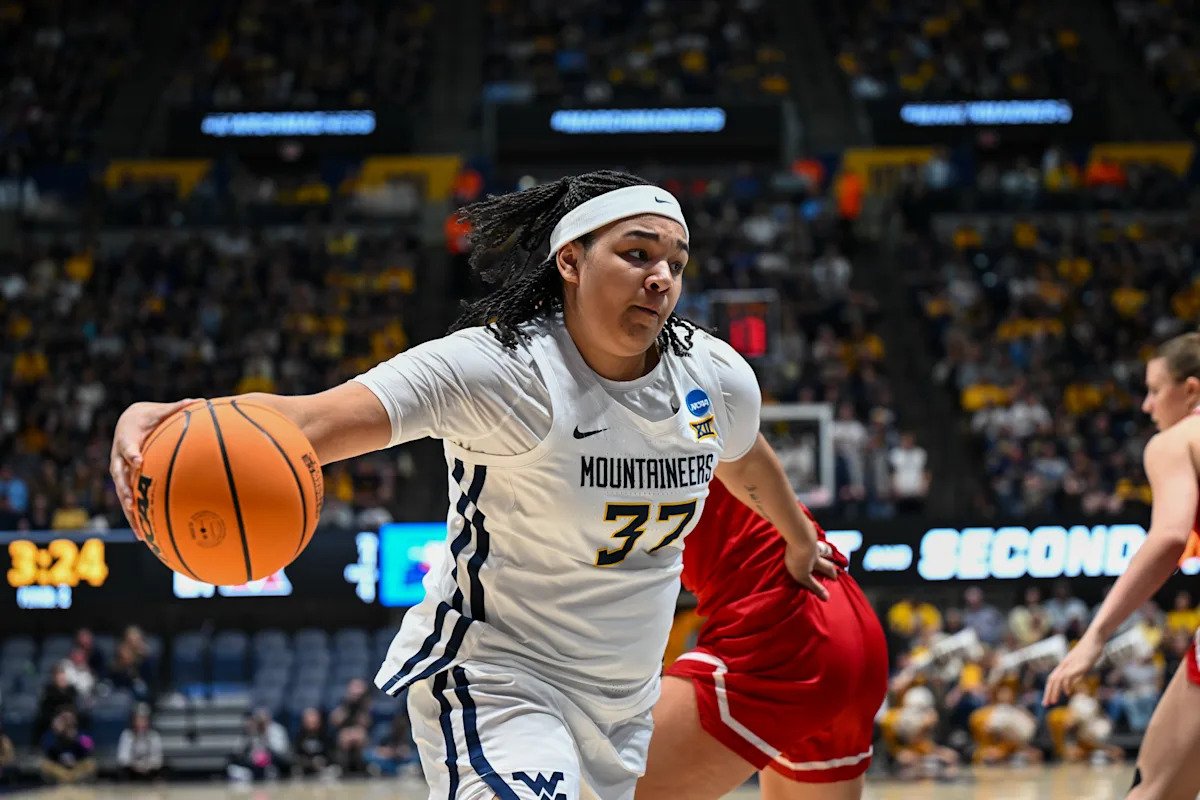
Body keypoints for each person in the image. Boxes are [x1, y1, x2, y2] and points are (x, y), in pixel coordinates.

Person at [110, 171, 834, 800]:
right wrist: (174, 418)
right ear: (571, 261)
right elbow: (313, 421)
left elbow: (742, 455)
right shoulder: (499, 369)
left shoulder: (712, 376)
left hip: (622, 704)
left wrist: (797, 541)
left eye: (675, 261)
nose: (661, 277)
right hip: (499, 678)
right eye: (637, 254)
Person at [636, 479, 888, 799]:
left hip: (782, 625)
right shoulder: (708, 434)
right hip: (845, 612)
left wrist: (799, 540)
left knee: (598, 786)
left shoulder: (596, 442)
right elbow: (750, 455)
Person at [1044, 331, 1200, 799]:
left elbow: (1170, 536)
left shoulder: (1176, 441)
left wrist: (1095, 635)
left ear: (1191, 390)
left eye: (1155, 390)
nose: (1147, 406)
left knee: (1154, 789)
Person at [116, 704, 163, 781]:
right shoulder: (127, 735)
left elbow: (157, 760)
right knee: (123, 771)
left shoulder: (154, 736)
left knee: (160, 773)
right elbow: (123, 759)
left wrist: (146, 766)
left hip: (149, 772)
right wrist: (136, 766)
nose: (141, 723)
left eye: (144, 720)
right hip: (132, 772)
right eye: (138, 719)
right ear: (133, 720)